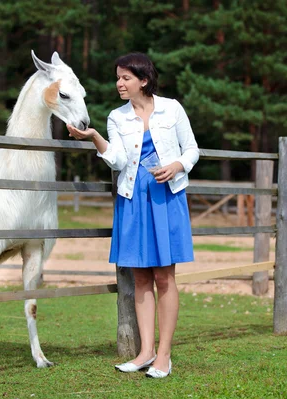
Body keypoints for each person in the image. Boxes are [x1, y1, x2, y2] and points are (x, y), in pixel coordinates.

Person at [66, 52, 199, 379]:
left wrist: (177, 165)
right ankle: (145, 353)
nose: (119, 84)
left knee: (165, 276)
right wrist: (95, 137)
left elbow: (192, 149)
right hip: (133, 199)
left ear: (143, 79)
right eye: (117, 77)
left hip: (166, 196)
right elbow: (118, 161)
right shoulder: (116, 117)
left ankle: (164, 356)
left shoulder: (173, 108)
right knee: (140, 276)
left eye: (125, 77)